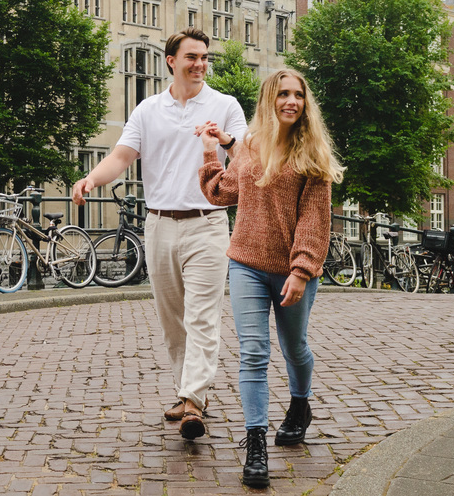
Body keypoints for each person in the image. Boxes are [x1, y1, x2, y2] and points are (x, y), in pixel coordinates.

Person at [72, 28, 246, 440]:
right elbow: (121, 155)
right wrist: (91, 180)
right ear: (172, 61)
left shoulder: (225, 105)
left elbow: (248, 156)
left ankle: (193, 400)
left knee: (202, 315)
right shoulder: (148, 109)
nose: (200, 64)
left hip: (207, 224)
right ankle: (188, 391)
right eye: (191, 57)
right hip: (159, 224)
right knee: (172, 319)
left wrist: (226, 140)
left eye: (204, 57)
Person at [197, 69, 343, 489]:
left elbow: (316, 221)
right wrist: (211, 153)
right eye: (283, 94)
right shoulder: (250, 144)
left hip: (291, 271)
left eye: (298, 95)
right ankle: (256, 442)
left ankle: (300, 405)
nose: (291, 101)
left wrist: (300, 270)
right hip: (245, 263)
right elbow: (222, 193)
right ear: (269, 99)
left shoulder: (312, 152)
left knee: (293, 346)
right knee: (254, 352)